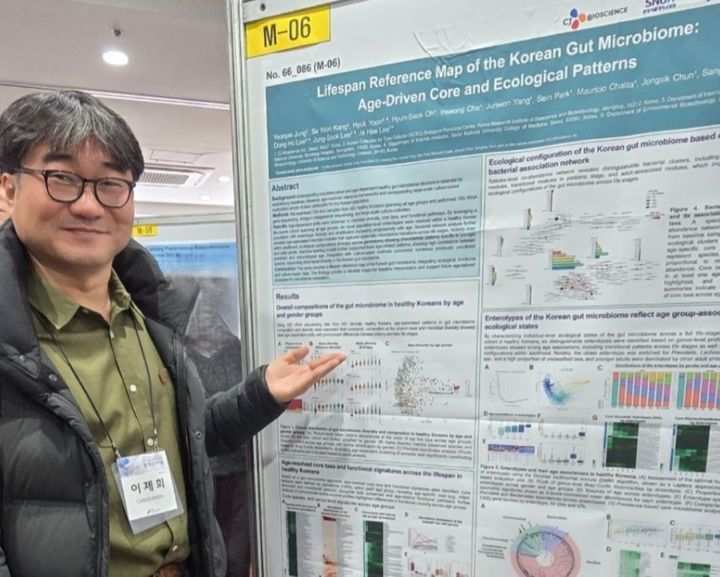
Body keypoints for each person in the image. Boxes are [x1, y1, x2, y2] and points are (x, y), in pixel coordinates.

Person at [0, 90, 345, 577]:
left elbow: (187, 437)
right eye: (62, 179)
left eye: (110, 184)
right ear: (9, 189)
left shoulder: (150, 313)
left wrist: (260, 393)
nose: (88, 205)